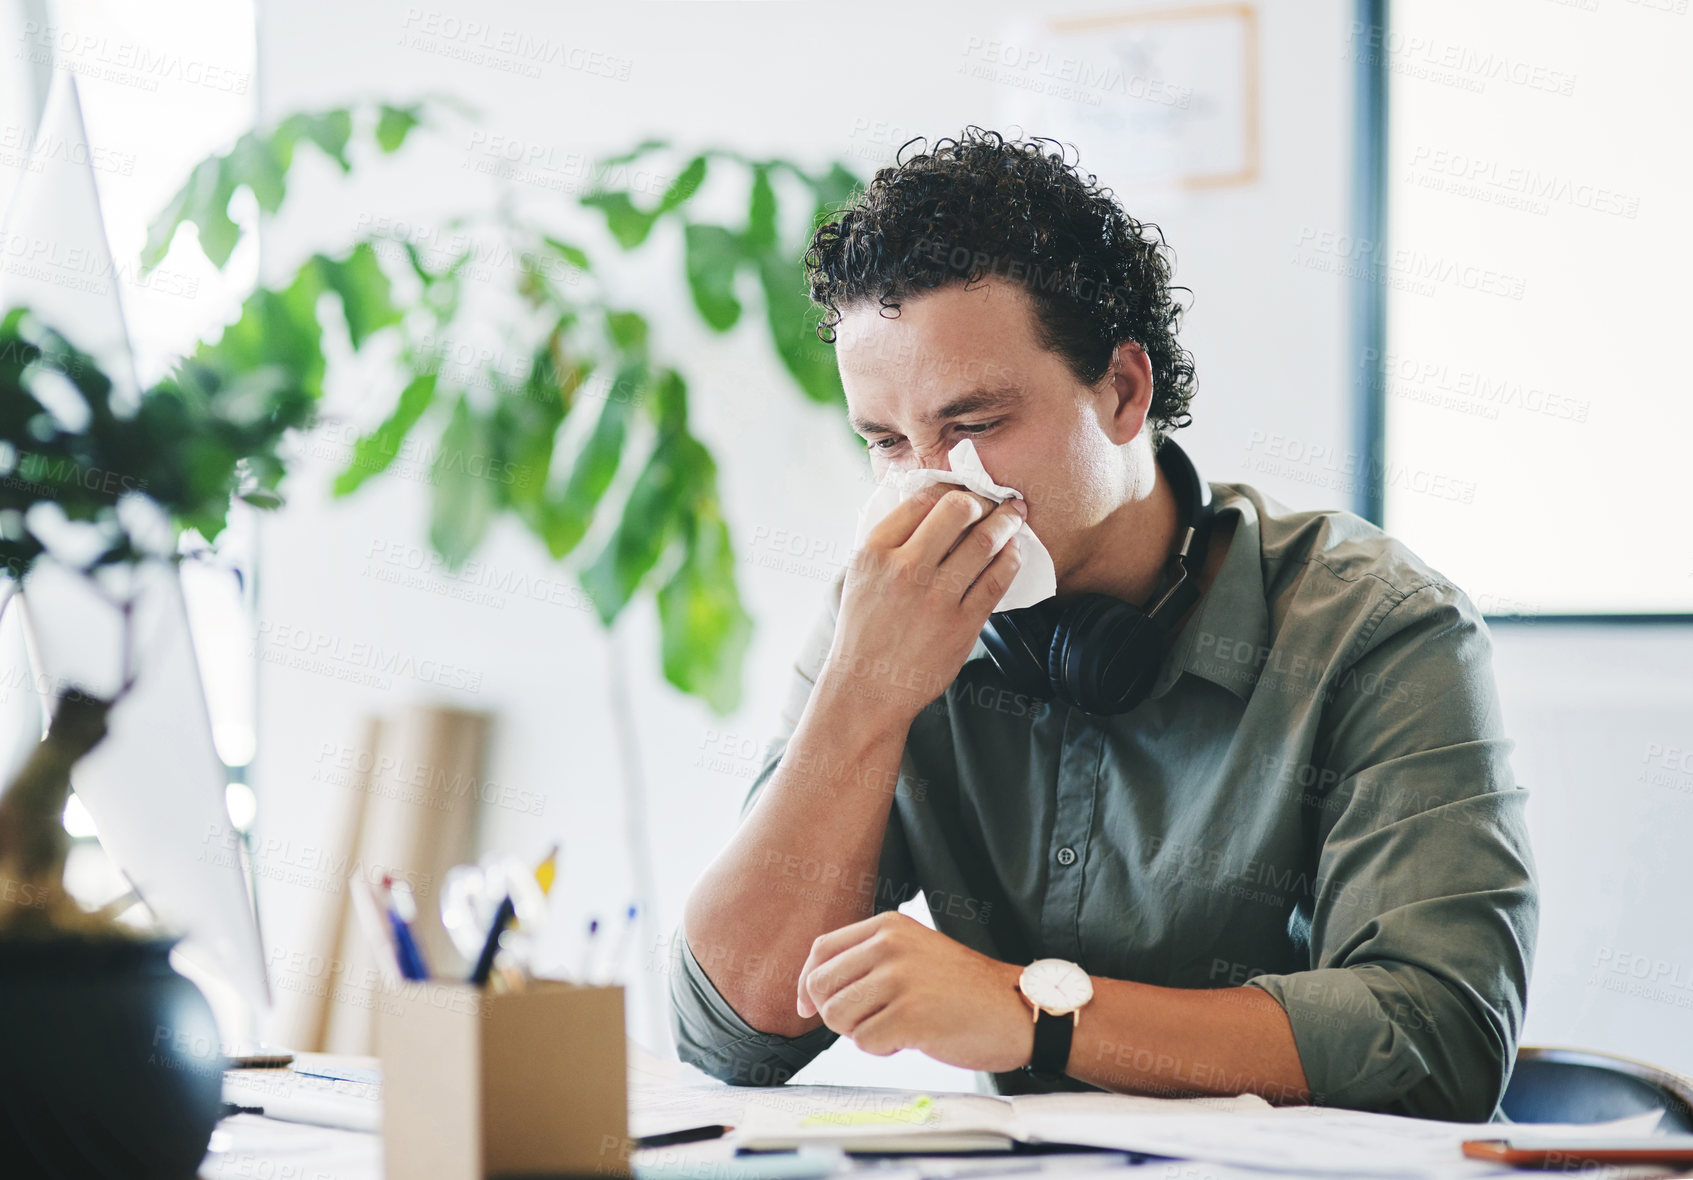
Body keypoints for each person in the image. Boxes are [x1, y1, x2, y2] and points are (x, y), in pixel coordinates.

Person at [668, 128, 1537, 1121]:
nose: (933, 485)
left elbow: (1439, 1038)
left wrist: (1036, 1015)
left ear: (1124, 392)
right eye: (885, 441)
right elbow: (731, 1029)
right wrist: (863, 692)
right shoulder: (889, 615)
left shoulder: (1376, 626)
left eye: (974, 425)